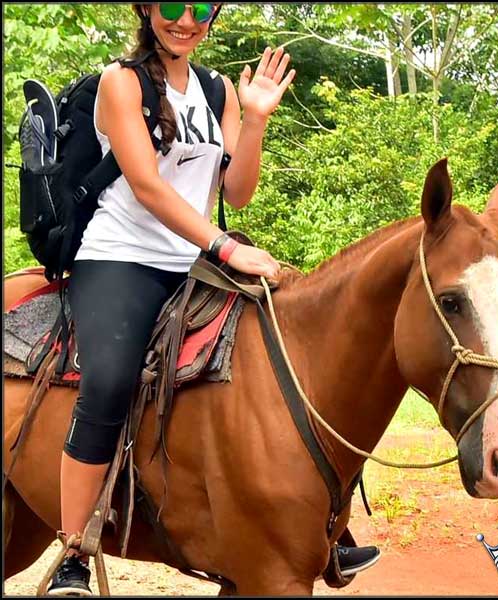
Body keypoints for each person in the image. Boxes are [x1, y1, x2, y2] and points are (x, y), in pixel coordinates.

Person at [47, 4, 379, 596]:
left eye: (201, 8)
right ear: (146, 10)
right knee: (109, 378)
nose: (186, 20)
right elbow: (147, 186)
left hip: (193, 258)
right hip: (120, 257)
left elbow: (238, 191)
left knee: (295, 346)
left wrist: (253, 121)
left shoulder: (216, 88)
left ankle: (326, 527)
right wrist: (225, 248)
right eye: (172, 7)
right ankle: (74, 546)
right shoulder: (120, 84)